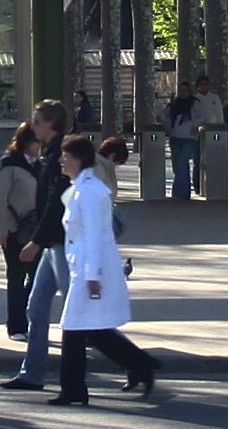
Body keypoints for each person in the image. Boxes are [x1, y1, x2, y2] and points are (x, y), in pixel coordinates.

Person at [52, 132, 160, 406]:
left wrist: (91, 275)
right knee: (88, 327)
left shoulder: (88, 192)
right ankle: (139, 364)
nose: (61, 160)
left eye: (65, 156)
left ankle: (74, 388)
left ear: (78, 159)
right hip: (84, 267)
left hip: (89, 269)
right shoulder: (82, 189)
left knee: (75, 326)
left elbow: (94, 236)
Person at [3, 99, 65, 340]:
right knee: (37, 305)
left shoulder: (59, 155)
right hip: (50, 239)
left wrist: (36, 240)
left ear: (51, 123)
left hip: (57, 239)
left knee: (66, 299)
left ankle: (88, 340)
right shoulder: (50, 154)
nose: (33, 126)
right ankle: (33, 361)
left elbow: (55, 202)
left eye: (37, 121)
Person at [0, 127, 45, 385]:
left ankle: (28, 320)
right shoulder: (9, 165)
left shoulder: (39, 165)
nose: (38, 145)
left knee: (36, 278)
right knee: (16, 277)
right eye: (35, 141)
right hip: (15, 230)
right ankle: (16, 324)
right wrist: (1, 230)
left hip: (36, 230)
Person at [198, 78, 228, 203]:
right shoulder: (196, 99)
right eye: (202, 84)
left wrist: (220, 127)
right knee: (199, 161)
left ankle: (213, 187)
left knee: (213, 159)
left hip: (214, 131)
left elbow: (219, 114)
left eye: (206, 84)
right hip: (199, 132)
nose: (204, 86)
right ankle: (199, 186)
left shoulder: (214, 98)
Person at [165, 79, 202, 200]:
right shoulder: (173, 105)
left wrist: (196, 125)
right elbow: (167, 118)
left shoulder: (195, 103)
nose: (183, 93)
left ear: (189, 91)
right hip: (175, 137)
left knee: (182, 162)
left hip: (189, 138)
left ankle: (181, 192)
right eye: (180, 90)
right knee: (176, 165)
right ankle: (182, 190)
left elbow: (203, 117)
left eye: (185, 90)